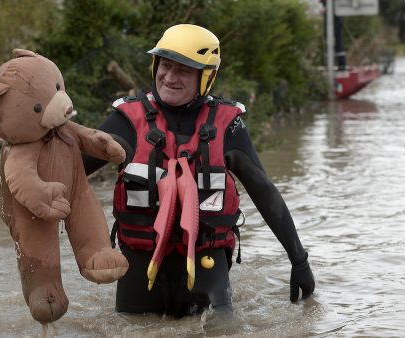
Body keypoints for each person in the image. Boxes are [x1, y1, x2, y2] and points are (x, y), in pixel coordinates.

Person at [82, 24, 315, 318]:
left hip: (207, 261)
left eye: (183, 70)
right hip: (140, 264)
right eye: (165, 65)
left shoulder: (229, 126)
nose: (169, 77)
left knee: (223, 329)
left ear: (205, 77)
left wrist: (299, 261)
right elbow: (70, 173)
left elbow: (265, 193)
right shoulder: (126, 121)